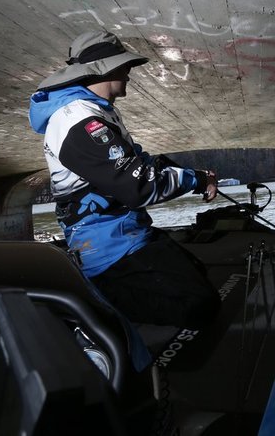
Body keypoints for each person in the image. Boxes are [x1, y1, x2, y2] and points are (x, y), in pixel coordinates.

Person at [28, 30, 220, 327]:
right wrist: (195, 179)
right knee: (200, 304)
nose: (129, 74)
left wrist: (188, 174)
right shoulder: (78, 121)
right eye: (125, 66)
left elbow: (134, 162)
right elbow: (138, 187)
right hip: (109, 249)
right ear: (106, 68)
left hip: (126, 234)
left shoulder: (96, 111)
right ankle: (95, 300)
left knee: (195, 272)